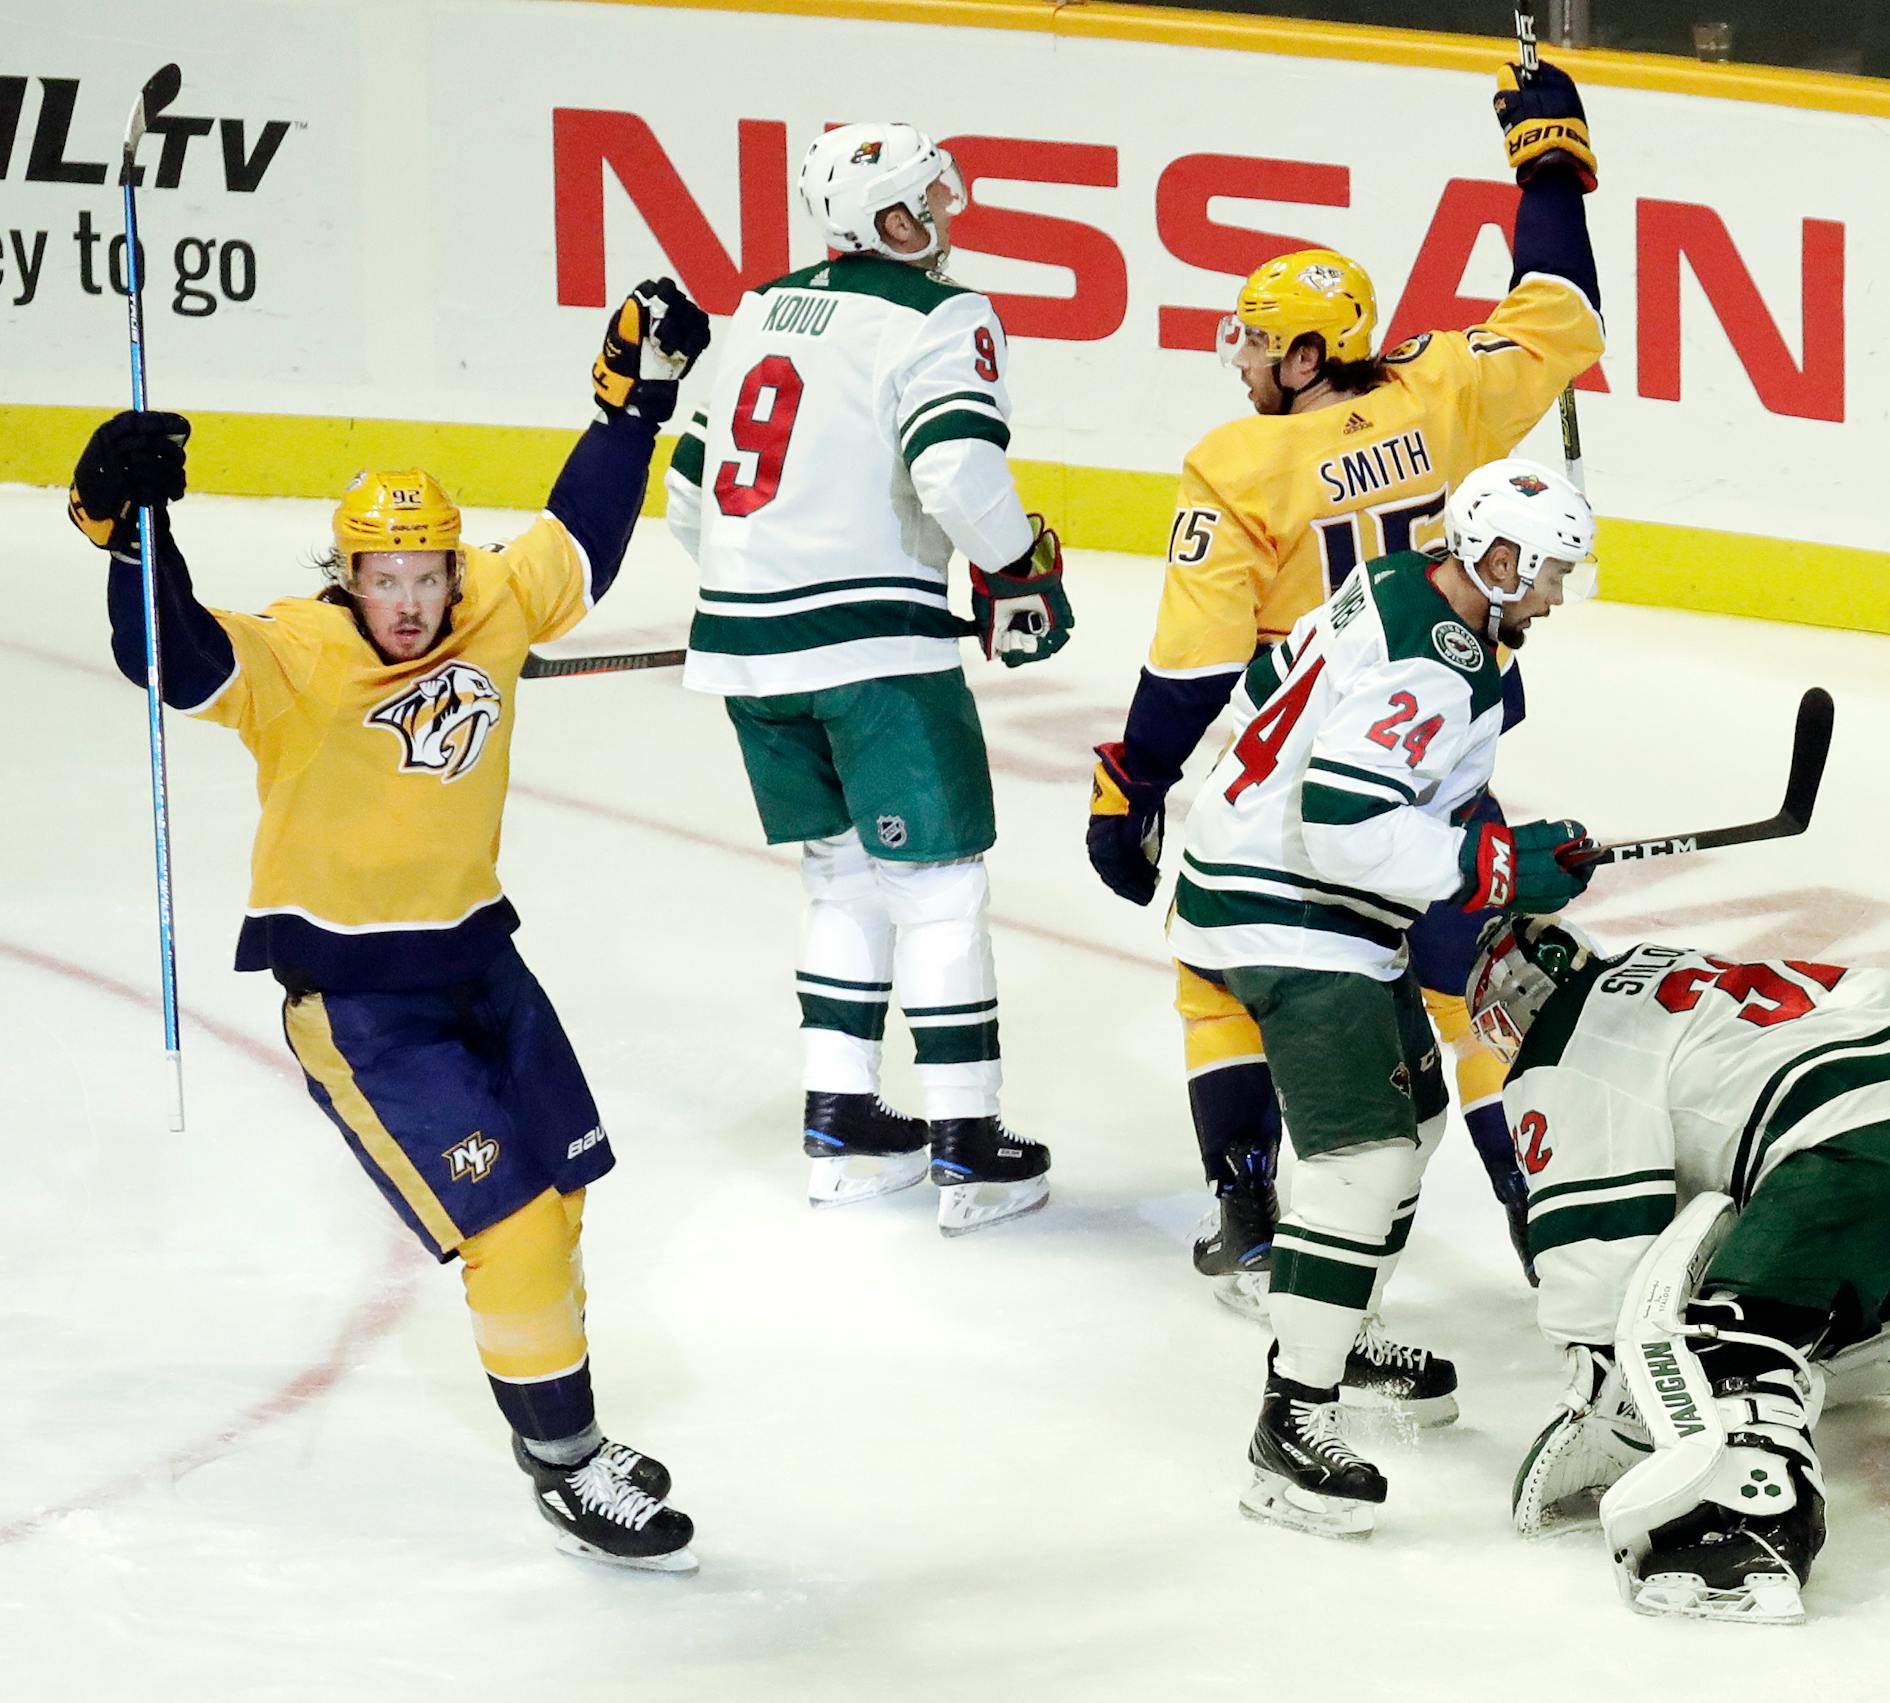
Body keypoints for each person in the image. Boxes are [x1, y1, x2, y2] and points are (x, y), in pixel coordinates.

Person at [71, 279, 712, 1571]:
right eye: (382, 577)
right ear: (344, 570)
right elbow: (177, 658)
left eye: (427, 574)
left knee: (564, 1196)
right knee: (514, 1224)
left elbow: (581, 533)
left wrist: (638, 400)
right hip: (362, 1006)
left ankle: (564, 1417)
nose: (409, 603)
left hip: (485, 959)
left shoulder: (493, 602)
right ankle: (568, 1463)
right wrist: (124, 529)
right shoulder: (302, 655)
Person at [1086, 52, 1606, 1307]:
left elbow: (1195, 661)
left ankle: (1251, 1211)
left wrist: (1134, 779)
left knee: (1218, 961)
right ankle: (1562, 1250)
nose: (1246, 361)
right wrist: (1547, 167)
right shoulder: (1439, 391)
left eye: (1265, 345)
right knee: (1469, 981)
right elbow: (1560, 306)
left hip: (1305, 766)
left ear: (1312, 356)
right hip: (1440, 739)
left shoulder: (1239, 465)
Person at [1167, 458, 1603, 1538]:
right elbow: (1347, 824)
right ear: (1495, 559)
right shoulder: (1440, 662)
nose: (1553, 595)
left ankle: (1332, 1324)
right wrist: (1497, 868)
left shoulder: (1405, 583)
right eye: (1545, 572)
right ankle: (1290, 1425)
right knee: (1365, 1157)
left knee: (1410, 1117)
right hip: (1290, 905)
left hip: (1262, 872)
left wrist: (1489, 840)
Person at [665, 122, 1071, 1236]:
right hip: (876, 660)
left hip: (746, 649)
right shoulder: (943, 316)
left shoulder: (753, 309)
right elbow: (956, 469)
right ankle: (967, 1142)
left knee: (841, 881)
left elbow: (689, 501)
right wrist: (1013, 567)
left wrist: (772, 584)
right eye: (921, 202)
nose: (938, 221)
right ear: (885, 216)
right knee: (939, 890)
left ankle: (840, 1127)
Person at [1472, 915, 1890, 1621]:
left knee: (1720, 1341)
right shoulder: (1653, 970)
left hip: (1849, 1142)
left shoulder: (1565, 1044)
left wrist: (1609, 1385)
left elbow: (1601, 1243)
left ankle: (1751, 1525)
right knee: (1773, 1201)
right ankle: (1851, 1339)